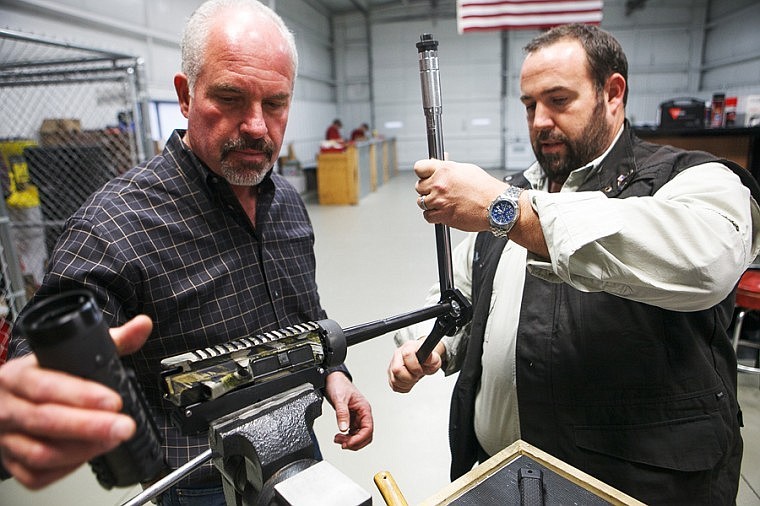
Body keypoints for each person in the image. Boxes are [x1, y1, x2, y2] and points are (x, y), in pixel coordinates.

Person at [0, 0, 373, 503]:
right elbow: (36, 365)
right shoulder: (114, 226)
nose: (258, 126)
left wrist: (334, 373)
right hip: (199, 481)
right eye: (231, 97)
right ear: (185, 94)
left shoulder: (285, 201)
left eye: (276, 103)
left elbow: (305, 316)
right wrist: (25, 405)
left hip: (297, 449)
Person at [389, 23, 760, 505]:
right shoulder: (517, 190)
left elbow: (705, 263)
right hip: (499, 479)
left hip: (625, 490)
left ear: (613, 93)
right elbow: (463, 300)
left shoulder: (690, 178)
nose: (540, 120)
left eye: (558, 100)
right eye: (529, 105)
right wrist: (431, 344)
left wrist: (509, 211)